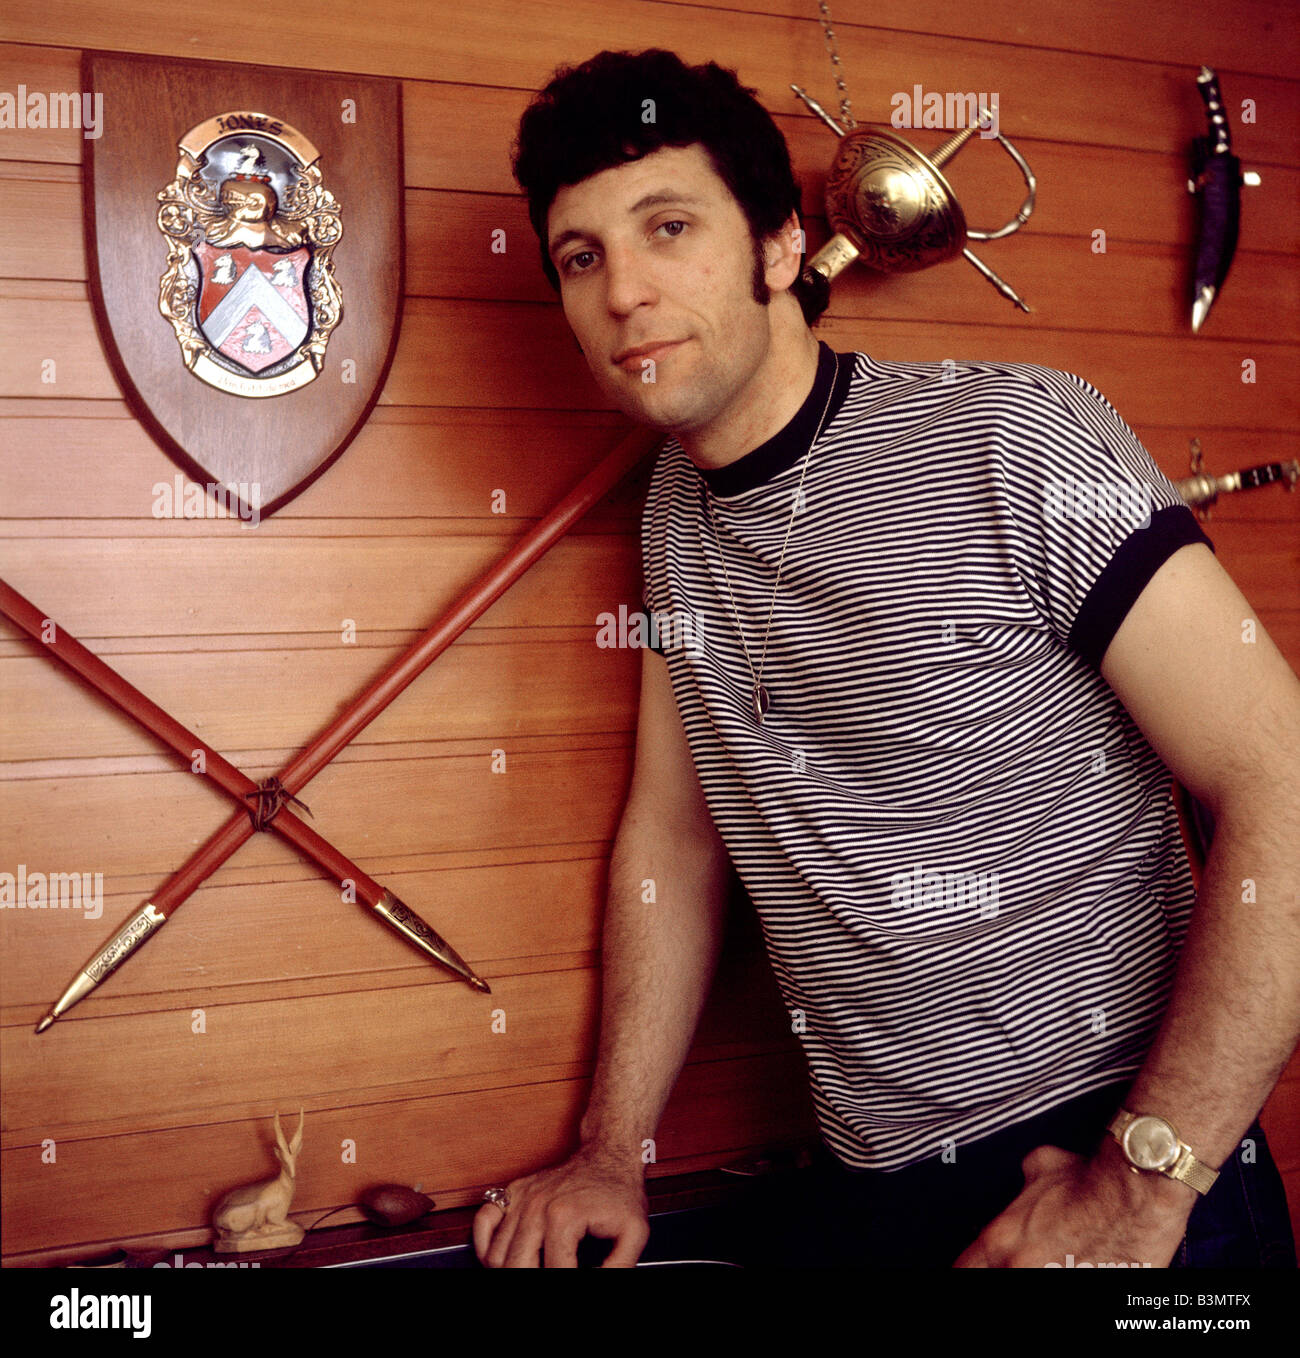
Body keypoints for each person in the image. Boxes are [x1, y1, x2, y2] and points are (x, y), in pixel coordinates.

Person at [473, 47, 1300, 1269]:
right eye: (580, 256)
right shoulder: (669, 514)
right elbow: (675, 836)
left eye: (667, 228)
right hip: (872, 1185)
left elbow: (1283, 783)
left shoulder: (1017, 433)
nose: (623, 293)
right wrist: (611, 1145)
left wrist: (1136, 1188)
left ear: (778, 250)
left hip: (1115, 1164)